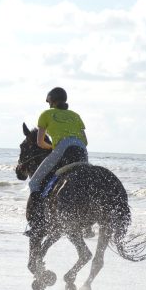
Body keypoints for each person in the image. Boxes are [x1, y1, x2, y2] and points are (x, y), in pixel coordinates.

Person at [26, 87, 88, 233]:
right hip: (81, 150)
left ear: (51, 102)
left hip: (63, 148)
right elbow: (85, 141)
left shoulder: (46, 114)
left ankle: (37, 224)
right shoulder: (75, 115)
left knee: (34, 183)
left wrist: (52, 148)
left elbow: (40, 143)